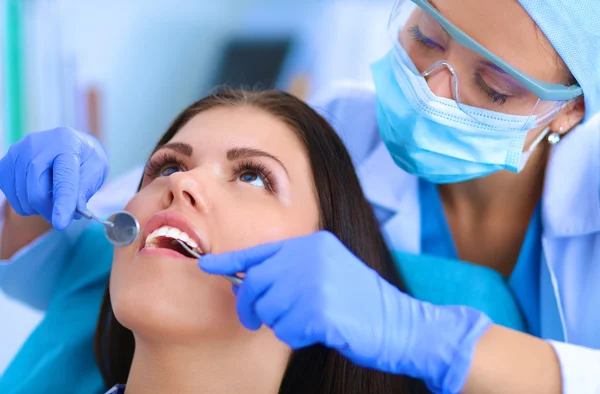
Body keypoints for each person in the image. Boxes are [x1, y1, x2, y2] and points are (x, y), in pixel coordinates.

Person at [1, 0, 599, 392]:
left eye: (493, 87)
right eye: (425, 38)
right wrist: (33, 202)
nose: (434, 91)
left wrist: (433, 341)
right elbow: (80, 252)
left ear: (571, 108)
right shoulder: (330, 128)